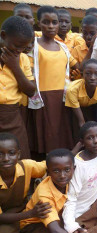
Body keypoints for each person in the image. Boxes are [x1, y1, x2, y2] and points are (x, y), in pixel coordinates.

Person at [28, 6, 78, 154]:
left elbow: (78, 66)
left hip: (62, 98)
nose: (51, 26)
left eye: (54, 22)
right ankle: (44, 168)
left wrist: (94, 45)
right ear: (38, 23)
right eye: (46, 22)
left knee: (60, 135)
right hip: (43, 97)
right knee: (46, 135)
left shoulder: (63, 47)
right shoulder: (33, 46)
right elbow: (28, 72)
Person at [20, 149, 78, 233]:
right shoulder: (44, 193)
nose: (62, 175)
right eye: (56, 171)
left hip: (57, 218)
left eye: (67, 169)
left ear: (73, 169)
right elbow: (55, 231)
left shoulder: (73, 182)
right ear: (48, 172)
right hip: (34, 225)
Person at [0, 133, 48, 233]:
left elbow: (51, 164)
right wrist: (30, 214)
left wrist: (76, 150)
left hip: (22, 210)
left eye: (11, 153)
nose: (6, 159)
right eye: (0, 154)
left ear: (18, 154)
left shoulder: (26, 166)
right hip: (6, 217)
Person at [0, 16, 35, 159]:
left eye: (24, 47)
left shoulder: (22, 59)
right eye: (17, 46)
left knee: (19, 157)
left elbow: (31, 91)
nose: (20, 50)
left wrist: (15, 66)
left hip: (12, 115)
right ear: (3, 36)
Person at [65, 59, 97, 129]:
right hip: (73, 110)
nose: (92, 78)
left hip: (92, 108)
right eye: (88, 73)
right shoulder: (73, 89)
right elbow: (81, 121)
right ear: (82, 74)